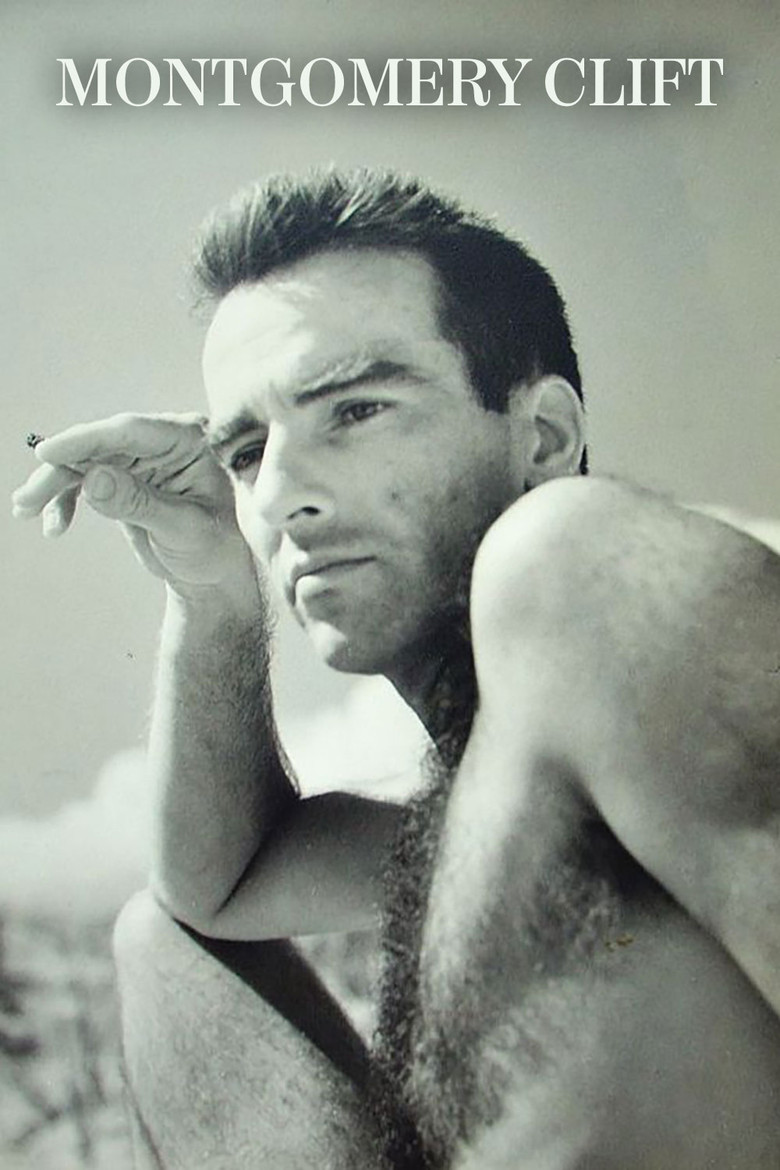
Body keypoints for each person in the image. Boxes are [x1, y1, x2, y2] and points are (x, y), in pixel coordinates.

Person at [12, 169, 780, 1170]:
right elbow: (215, 885)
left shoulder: (583, 571)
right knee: (162, 947)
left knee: (553, 559)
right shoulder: (485, 818)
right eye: (246, 454)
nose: (277, 495)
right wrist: (212, 588)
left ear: (545, 436)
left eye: (356, 409)